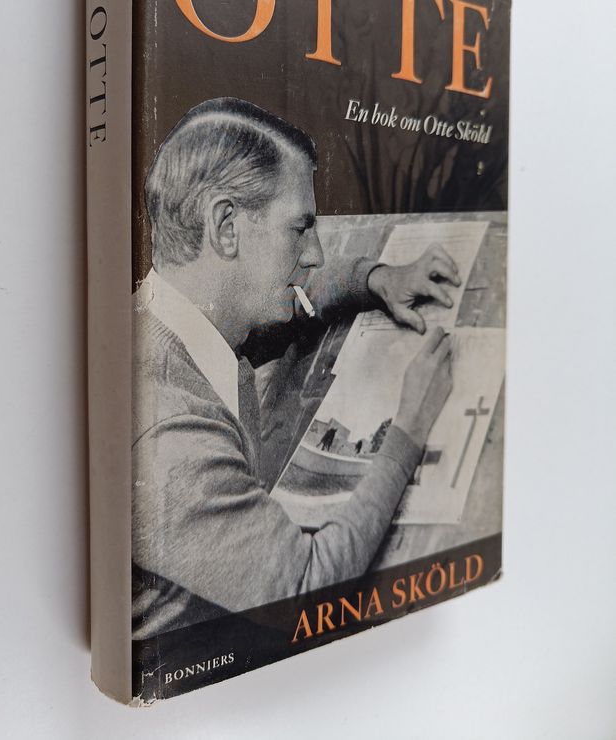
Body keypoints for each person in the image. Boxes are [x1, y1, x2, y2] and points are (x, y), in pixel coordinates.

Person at [131, 97, 458, 642]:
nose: (315, 254)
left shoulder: (169, 316)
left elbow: (296, 302)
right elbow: (308, 589)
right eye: (299, 229)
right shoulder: (169, 433)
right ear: (226, 226)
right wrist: (409, 429)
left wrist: (375, 278)